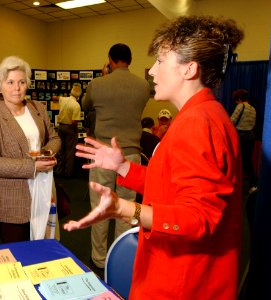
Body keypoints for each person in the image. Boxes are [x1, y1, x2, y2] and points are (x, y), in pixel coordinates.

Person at [65, 16, 244, 299]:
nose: (152, 72)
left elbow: (198, 218)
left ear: (189, 69)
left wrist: (126, 209)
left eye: (160, 61)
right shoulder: (200, 114)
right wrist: (123, 166)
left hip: (183, 282)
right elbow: (171, 185)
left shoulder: (198, 123)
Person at [81, 43, 150, 269]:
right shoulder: (142, 86)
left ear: (110, 59)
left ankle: (99, 259)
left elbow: (86, 105)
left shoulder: (98, 84)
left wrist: (103, 78)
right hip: (130, 154)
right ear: (130, 60)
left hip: (102, 153)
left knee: (100, 206)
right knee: (127, 208)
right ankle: (120, 257)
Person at [0, 56, 61, 243]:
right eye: (10, 82)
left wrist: (47, 154)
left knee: (45, 249)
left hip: (43, 189)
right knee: (19, 256)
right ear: (0, 86)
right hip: (12, 200)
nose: (17, 88)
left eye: (21, 82)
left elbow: (54, 138)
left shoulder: (37, 108)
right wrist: (33, 167)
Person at [52, 83, 82, 178]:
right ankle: (68, 173)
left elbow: (54, 98)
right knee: (70, 151)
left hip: (60, 127)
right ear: (79, 95)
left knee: (61, 150)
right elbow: (74, 121)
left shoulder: (63, 99)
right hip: (70, 129)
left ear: (71, 92)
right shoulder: (76, 105)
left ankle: (59, 171)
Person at [230, 89, 257, 191]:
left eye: (236, 100)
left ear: (239, 98)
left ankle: (235, 184)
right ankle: (253, 184)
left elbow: (231, 121)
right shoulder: (253, 108)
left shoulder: (241, 106)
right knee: (247, 161)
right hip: (250, 136)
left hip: (240, 136)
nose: (236, 102)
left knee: (236, 160)